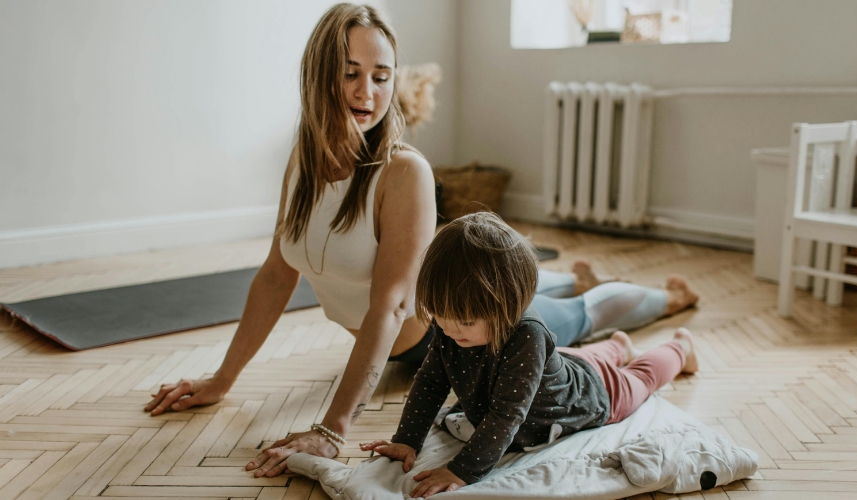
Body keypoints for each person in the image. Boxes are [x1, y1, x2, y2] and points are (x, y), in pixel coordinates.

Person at [143, 3, 697, 478]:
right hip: (438, 327)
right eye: (350, 72)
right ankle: (581, 296)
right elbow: (274, 275)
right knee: (563, 308)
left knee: (577, 315)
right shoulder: (303, 163)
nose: (368, 92)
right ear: (317, 74)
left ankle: (665, 302)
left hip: (465, 332)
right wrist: (222, 379)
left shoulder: (402, 171)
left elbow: (392, 304)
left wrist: (332, 429)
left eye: (381, 76)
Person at [360, 212, 698, 497]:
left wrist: (461, 470)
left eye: (463, 321)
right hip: (563, 365)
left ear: (507, 306)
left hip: (591, 394)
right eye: (440, 317)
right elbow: (431, 382)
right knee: (580, 359)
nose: (448, 330)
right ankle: (618, 345)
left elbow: (507, 415)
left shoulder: (527, 335)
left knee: (640, 377)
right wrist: (407, 439)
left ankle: (680, 348)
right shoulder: (453, 327)